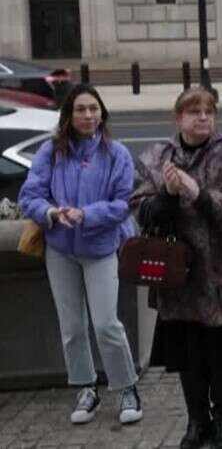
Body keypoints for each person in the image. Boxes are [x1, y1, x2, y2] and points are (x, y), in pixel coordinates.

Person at [130, 88, 222, 449]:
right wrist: (167, 196)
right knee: (187, 355)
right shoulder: (156, 157)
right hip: (178, 278)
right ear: (178, 119)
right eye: (194, 112)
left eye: (208, 111)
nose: (203, 118)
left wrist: (197, 193)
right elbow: (140, 211)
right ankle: (196, 420)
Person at [18, 84, 142, 426]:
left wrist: (88, 214)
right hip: (60, 250)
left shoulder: (117, 154)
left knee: (106, 324)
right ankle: (86, 389)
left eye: (93, 109)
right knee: (72, 327)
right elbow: (29, 196)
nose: (88, 116)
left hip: (100, 248)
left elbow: (123, 204)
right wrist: (54, 213)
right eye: (80, 110)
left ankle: (127, 387)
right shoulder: (50, 152)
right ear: (69, 117)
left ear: (102, 113)